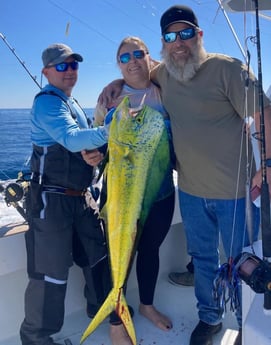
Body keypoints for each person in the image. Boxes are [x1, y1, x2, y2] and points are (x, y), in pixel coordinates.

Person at [97, 5, 271, 345]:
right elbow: (138, 73)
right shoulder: (165, 75)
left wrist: (267, 163)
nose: (179, 42)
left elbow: (264, 112)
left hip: (236, 192)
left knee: (242, 262)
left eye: (186, 33)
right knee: (203, 260)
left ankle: (247, 324)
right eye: (171, 36)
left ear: (199, 35)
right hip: (190, 192)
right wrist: (117, 81)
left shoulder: (226, 69)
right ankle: (210, 319)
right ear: (163, 43)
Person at [83, 36, 176, 345]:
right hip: (120, 193)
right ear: (118, 64)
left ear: (150, 58)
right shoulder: (109, 98)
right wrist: (90, 153)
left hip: (160, 193)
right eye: (125, 57)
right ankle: (115, 320)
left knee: (150, 249)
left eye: (139, 54)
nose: (133, 60)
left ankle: (146, 306)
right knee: (120, 251)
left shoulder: (165, 93)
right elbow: (94, 140)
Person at [19, 43, 111, 345]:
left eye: (73, 65)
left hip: (81, 197)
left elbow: (80, 145)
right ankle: (36, 338)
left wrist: (93, 154)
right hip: (51, 201)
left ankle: (100, 308)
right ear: (46, 72)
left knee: (97, 255)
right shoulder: (47, 102)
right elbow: (71, 139)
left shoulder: (70, 104)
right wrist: (114, 128)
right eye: (61, 66)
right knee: (51, 272)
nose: (69, 71)